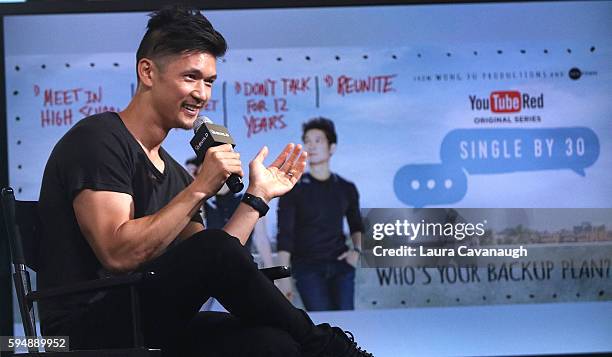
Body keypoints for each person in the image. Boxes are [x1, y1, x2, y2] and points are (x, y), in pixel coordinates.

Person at [37, 6, 372, 357]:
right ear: (148, 72)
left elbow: (217, 262)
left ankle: (315, 344)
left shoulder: (175, 173)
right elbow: (118, 254)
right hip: (84, 332)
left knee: (275, 345)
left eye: (209, 81)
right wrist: (200, 188)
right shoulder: (99, 139)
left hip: (148, 319)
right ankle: (327, 346)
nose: (202, 94)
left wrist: (257, 197)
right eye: (191, 77)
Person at [277, 117, 364, 311]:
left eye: (318, 140)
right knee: (323, 325)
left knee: (347, 326)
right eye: (307, 141)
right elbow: (285, 236)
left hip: (341, 267)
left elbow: (357, 225)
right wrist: (283, 277)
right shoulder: (293, 188)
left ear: (332, 147)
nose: (312, 146)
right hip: (307, 269)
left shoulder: (346, 188)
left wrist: (356, 252)